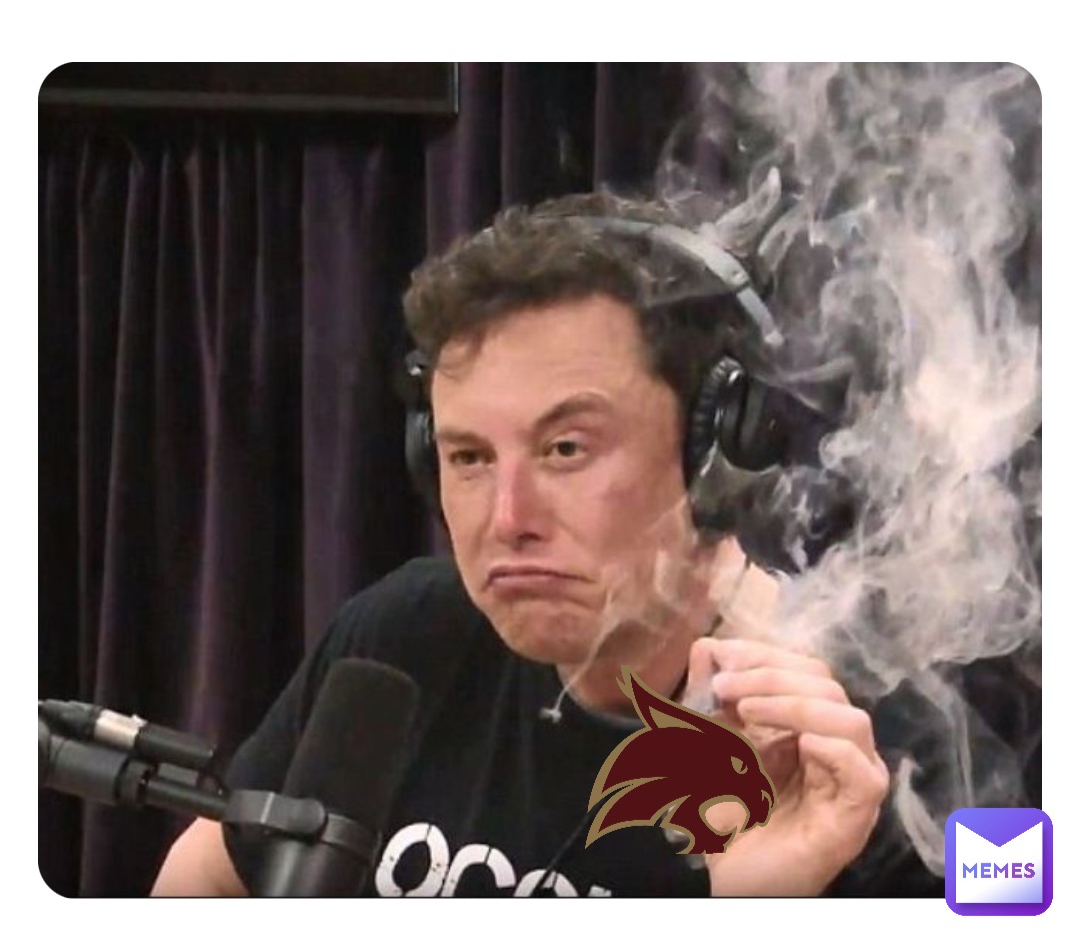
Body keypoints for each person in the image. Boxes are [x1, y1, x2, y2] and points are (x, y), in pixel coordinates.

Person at [151, 194, 890, 897]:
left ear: (717, 458)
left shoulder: (866, 749)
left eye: (566, 448)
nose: (508, 519)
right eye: (469, 456)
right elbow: (207, 877)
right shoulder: (405, 638)